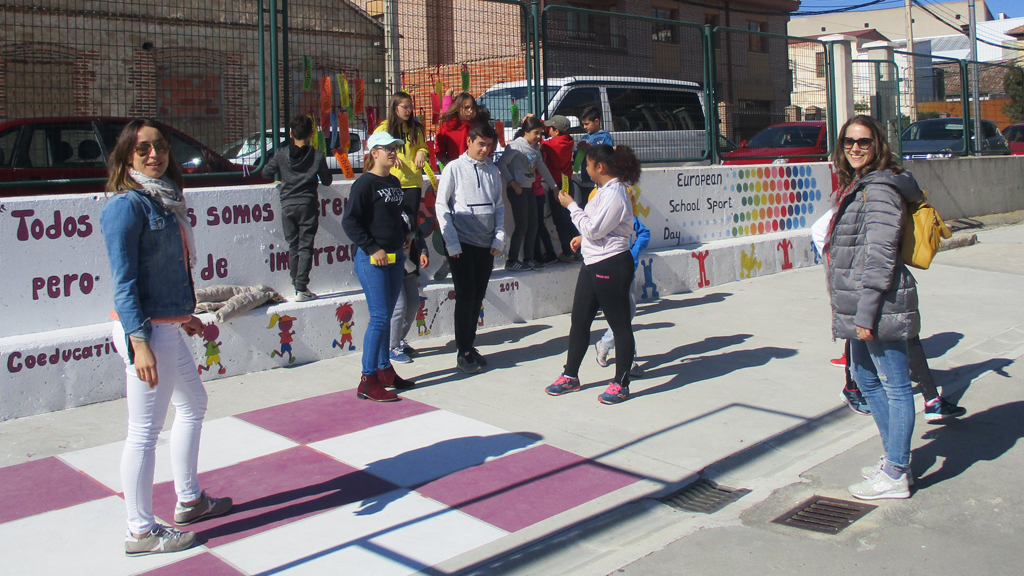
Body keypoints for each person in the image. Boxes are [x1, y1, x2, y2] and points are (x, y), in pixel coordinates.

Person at [101, 118, 232, 557]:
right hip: (145, 331)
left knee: (193, 403)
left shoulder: (166, 201)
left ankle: (190, 500)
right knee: (143, 432)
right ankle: (140, 530)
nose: (154, 155)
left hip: (165, 324)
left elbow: (168, 272)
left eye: (160, 146)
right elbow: (125, 282)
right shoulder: (127, 206)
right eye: (143, 150)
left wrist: (185, 317)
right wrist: (139, 342)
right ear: (127, 158)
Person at [826, 115, 921, 500]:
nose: (855, 148)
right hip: (860, 302)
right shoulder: (860, 184)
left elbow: (880, 255)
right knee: (865, 379)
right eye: (849, 142)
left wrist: (866, 314)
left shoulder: (879, 189)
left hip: (879, 303)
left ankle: (897, 472)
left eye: (863, 142)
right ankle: (893, 459)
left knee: (896, 387)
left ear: (877, 144)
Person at [545, 144, 640, 405]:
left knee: (620, 325)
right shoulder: (602, 191)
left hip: (611, 265)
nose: (584, 169)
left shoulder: (616, 193)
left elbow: (595, 229)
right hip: (592, 262)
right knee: (579, 320)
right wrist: (581, 238)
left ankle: (621, 383)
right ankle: (570, 375)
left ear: (600, 167)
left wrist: (571, 206)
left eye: (587, 164)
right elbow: (594, 228)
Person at [342, 131, 418, 401]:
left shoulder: (395, 182)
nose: (392, 152)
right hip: (372, 259)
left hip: (396, 257)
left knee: (387, 314)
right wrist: (373, 248)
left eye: (395, 148)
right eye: (386, 148)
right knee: (379, 317)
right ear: (373, 153)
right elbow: (350, 222)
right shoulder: (364, 184)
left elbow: (395, 217)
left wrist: (406, 234)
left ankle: (385, 370)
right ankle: (367, 378)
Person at [435, 123, 506, 374]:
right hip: (461, 244)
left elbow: (498, 206)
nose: (485, 149)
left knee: (477, 295)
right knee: (465, 296)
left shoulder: (494, 171)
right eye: (481, 144)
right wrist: (451, 242)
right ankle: (462, 350)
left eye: (489, 145)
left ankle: (470, 343)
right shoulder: (454, 168)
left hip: (486, 245)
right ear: (469, 141)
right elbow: (442, 206)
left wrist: (498, 237)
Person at [373, 92, 430, 364]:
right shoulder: (384, 128)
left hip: (413, 184)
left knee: (412, 227)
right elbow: (373, 150)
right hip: (393, 184)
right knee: (398, 226)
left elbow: (425, 147)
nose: (408, 110)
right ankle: (403, 265)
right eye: (404, 106)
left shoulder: (416, 128)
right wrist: (388, 159)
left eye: (410, 106)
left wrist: (420, 152)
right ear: (394, 107)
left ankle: (411, 266)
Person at [262, 114, 333, 301]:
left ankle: (296, 284)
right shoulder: (317, 156)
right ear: (311, 134)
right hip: (307, 204)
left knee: (293, 245)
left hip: (287, 203)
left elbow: (265, 172)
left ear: (291, 134)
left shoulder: (281, 153)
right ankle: (301, 287)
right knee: (306, 246)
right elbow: (327, 181)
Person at [594, 210, 650, 378]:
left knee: (628, 313)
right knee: (620, 317)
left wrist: (633, 252)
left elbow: (644, 233)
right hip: (605, 271)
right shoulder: (599, 219)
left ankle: (607, 344)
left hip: (627, 272)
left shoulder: (628, 217)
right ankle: (626, 358)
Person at [496, 116, 556, 271]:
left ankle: (528, 258)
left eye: (541, 133)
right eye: (536, 133)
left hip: (529, 189)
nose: (539, 137)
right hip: (517, 190)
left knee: (533, 224)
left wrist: (554, 187)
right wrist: (511, 181)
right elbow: (501, 163)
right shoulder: (516, 146)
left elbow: (541, 167)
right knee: (522, 225)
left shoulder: (535, 148)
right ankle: (512, 260)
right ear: (526, 132)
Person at [537, 115, 578, 264]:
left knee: (559, 221)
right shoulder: (569, 140)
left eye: (551, 129)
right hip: (568, 182)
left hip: (557, 186)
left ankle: (567, 253)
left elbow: (540, 143)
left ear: (556, 131)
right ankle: (578, 250)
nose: (548, 131)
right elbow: (551, 135)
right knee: (569, 218)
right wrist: (542, 123)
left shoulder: (551, 144)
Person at [575, 106, 614, 213]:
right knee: (587, 210)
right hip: (586, 181)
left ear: (596, 121)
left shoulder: (605, 136)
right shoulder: (585, 138)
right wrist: (579, 152)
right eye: (583, 124)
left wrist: (591, 149)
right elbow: (577, 163)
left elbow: (607, 155)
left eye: (587, 124)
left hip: (601, 183)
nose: (584, 127)